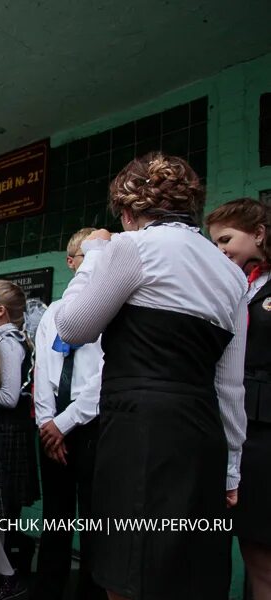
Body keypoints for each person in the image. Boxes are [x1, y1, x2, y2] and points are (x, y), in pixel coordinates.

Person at [54, 153, 247, 600]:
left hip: (139, 427)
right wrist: (232, 469)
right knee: (188, 574)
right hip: (201, 433)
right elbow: (229, 385)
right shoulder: (232, 274)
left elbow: (73, 327)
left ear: (127, 211)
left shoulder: (130, 247)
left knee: (128, 571)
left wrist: (96, 255)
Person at [32, 228, 103, 600]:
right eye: (85, 257)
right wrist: (47, 423)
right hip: (52, 424)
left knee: (95, 518)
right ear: (71, 263)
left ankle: (90, 592)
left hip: (90, 424)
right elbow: (43, 369)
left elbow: (105, 377)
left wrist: (64, 423)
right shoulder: (54, 313)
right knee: (56, 516)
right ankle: (47, 588)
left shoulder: (112, 311)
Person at [206, 198, 271, 598]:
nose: (220, 250)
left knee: (262, 552)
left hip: (265, 433)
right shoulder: (235, 286)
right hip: (230, 427)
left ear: (259, 233)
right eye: (214, 243)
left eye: (226, 239)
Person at [0, 280, 40, 575]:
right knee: (5, 510)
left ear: (1, 311)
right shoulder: (15, 338)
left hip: (8, 433)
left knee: (4, 509)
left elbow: (7, 396)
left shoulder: (7, 342)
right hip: (13, 431)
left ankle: (5, 575)